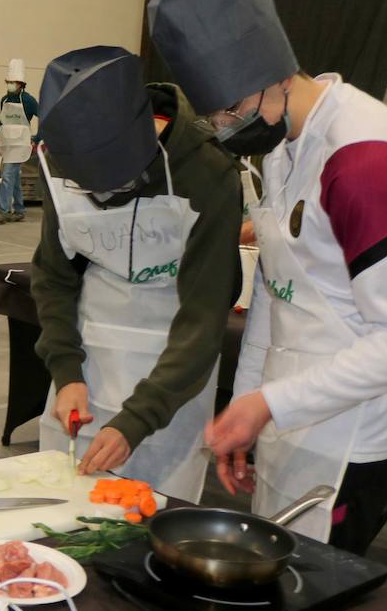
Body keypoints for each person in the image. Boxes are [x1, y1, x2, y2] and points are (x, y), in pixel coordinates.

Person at [149, 0, 387, 553]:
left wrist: (270, 403)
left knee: (317, 594)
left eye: (229, 111)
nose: (224, 127)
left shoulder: (368, 162)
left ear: (274, 72)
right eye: (213, 117)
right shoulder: (283, 144)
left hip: (352, 431)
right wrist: (248, 408)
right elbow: (276, 291)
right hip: (290, 408)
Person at [31, 47, 241, 502]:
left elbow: (203, 318)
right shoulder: (63, 160)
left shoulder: (207, 173)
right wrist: (66, 370)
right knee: (62, 512)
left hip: (173, 373)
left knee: (149, 520)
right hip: (88, 363)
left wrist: (139, 419)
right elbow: (54, 276)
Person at [0, 58, 38, 222]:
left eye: (14, 82)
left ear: (21, 83)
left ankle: (4, 210)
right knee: (14, 177)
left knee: (7, 175)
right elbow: (1, 119)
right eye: (9, 82)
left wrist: (37, 138)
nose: (10, 84)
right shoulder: (3, 100)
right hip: (8, 143)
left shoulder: (28, 101)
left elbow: (44, 116)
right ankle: (19, 209)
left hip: (21, 144)